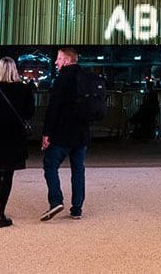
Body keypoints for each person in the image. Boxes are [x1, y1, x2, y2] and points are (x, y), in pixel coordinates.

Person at [0, 56, 34, 228]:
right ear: (14, 70)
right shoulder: (24, 89)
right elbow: (29, 113)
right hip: (15, 137)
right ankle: (0, 213)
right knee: (8, 175)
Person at [41, 47, 90, 221]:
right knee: (78, 169)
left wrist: (47, 133)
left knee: (50, 163)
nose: (56, 62)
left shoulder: (62, 79)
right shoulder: (86, 77)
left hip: (62, 132)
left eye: (59, 59)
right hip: (82, 133)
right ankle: (77, 208)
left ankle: (56, 200)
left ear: (67, 60)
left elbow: (53, 108)